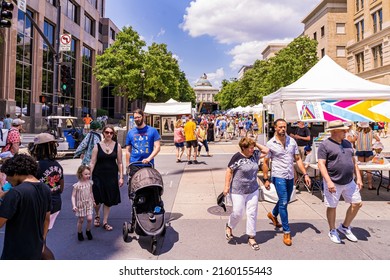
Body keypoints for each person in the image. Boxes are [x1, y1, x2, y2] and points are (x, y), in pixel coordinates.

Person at [262, 118, 311, 246]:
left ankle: (273, 214)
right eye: (280, 127)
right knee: (284, 202)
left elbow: (297, 159)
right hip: (278, 176)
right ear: (275, 128)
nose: (283, 129)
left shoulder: (292, 141)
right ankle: (287, 232)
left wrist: (305, 174)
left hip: (290, 175)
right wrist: (265, 179)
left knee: (286, 199)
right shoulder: (270, 144)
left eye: (284, 127)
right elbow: (265, 162)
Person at [317, 120, 363, 244]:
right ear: (335, 131)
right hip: (333, 181)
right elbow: (321, 164)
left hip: (349, 181)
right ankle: (332, 230)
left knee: (357, 203)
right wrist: (329, 182)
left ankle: (345, 226)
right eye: (343, 130)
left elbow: (354, 162)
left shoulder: (348, 143)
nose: (346, 131)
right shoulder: (325, 145)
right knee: (332, 206)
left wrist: (358, 177)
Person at [0, 154, 51, 259]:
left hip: (16, 252)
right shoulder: (45, 189)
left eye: (8, 177)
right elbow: (46, 219)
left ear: (15, 173)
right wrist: (42, 240)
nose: (8, 181)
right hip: (35, 249)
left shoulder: (15, 193)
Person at [223, 137, 269, 251]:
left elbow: (266, 151)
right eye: (250, 148)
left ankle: (251, 237)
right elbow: (229, 170)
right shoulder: (237, 157)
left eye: (253, 148)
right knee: (238, 213)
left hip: (252, 189)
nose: (252, 150)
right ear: (243, 148)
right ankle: (229, 226)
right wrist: (226, 186)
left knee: (252, 213)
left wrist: (254, 143)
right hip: (238, 190)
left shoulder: (255, 154)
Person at [90, 125, 124, 231]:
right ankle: (97, 215)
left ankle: (105, 221)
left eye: (111, 133)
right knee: (97, 198)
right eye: (107, 132)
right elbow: (92, 162)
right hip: (98, 176)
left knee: (108, 199)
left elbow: (119, 162)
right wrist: (87, 177)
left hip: (111, 176)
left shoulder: (117, 146)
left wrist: (121, 177)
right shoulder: (97, 146)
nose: (109, 134)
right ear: (103, 133)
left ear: (113, 134)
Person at [29, 133, 64, 232]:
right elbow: (61, 188)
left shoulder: (35, 166)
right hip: (56, 203)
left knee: (38, 238)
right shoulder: (57, 165)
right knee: (43, 235)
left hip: (40, 205)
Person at [71, 165, 95, 241]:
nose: (88, 176)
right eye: (86, 174)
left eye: (89, 174)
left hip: (89, 203)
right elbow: (73, 196)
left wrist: (93, 200)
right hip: (80, 204)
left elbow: (91, 193)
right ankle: (79, 232)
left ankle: (88, 230)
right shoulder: (77, 186)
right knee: (81, 220)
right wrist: (74, 205)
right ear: (80, 174)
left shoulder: (90, 183)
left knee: (90, 218)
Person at [355, 121, 380, 190]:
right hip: (369, 150)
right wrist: (373, 146)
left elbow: (354, 139)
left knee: (361, 168)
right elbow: (378, 139)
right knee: (369, 168)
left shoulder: (357, 132)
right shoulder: (371, 132)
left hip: (359, 150)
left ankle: (361, 184)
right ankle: (370, 185)